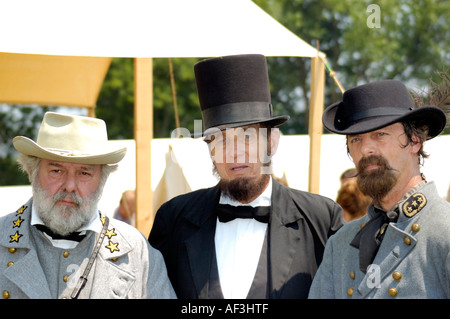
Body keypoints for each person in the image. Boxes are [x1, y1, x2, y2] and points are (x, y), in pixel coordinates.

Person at [149, 54, 344, 299]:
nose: (235, 152)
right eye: (220, 139)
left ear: (272, 142)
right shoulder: (174, 220)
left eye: (248, 136)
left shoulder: (321, 220)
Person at [0, 112, 176, 299]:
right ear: (32, 171)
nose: (69, 185)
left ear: (102, 179)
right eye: (56, 170)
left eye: (84, 173)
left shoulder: (137, 252)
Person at [308, 80, 450, 298]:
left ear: (415, 141)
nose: (365, 149)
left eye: (380, 134)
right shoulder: (341, 243)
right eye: (356, 139)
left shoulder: (445, 231)